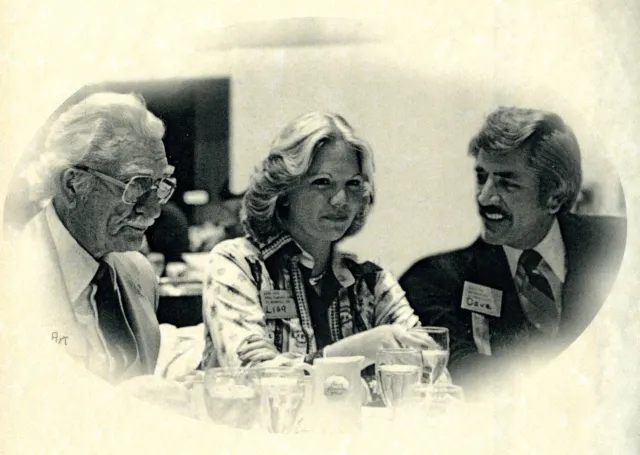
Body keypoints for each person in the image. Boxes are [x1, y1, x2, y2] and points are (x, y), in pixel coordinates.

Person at [399, 107, 626, 394]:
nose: (484, 197)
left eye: (506, 183)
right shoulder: (435, 279)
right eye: (481, 177)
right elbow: (464, 373)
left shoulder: (618, 245)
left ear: (554, 195)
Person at [201, 112, 431, 383]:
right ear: (284, 191)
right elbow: (252, 382)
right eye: (322, 182)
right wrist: (358, 352)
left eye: (353, 184)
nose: (341, 200)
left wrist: (285, 365)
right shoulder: (238, 263)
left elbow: (432, 372)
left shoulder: (371, 281)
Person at [17, 92, 177, 384]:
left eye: (160, 185)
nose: (154, 210)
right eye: (136, 186)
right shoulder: (12, 276)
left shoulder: (139, 273)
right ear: (73, 185)